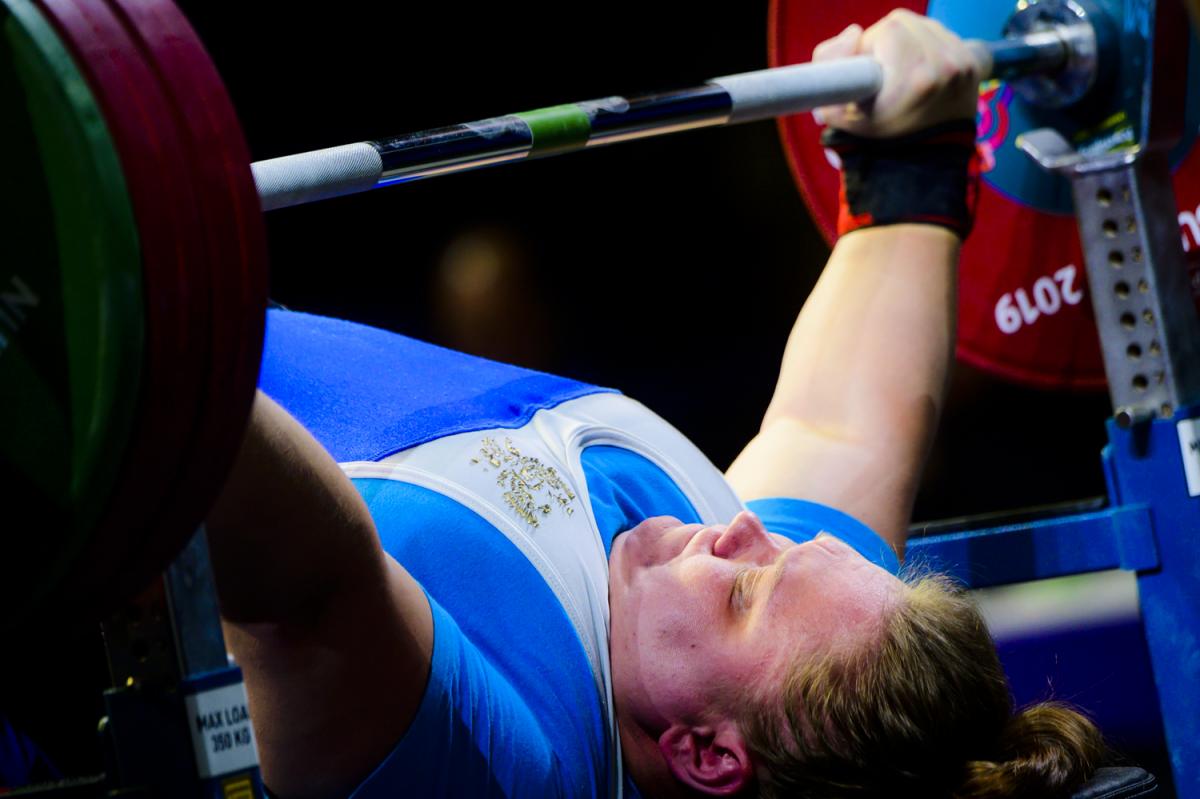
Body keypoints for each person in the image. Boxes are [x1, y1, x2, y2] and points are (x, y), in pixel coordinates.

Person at [207, 11, 1106, 799]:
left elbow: (304, 583)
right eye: (797, 546)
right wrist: (913, 154)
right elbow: (835, 424)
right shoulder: (771, 610)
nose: (746, 530)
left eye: (748, 591)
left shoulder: (520, 762)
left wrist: (141, 313)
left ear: (708, 754)